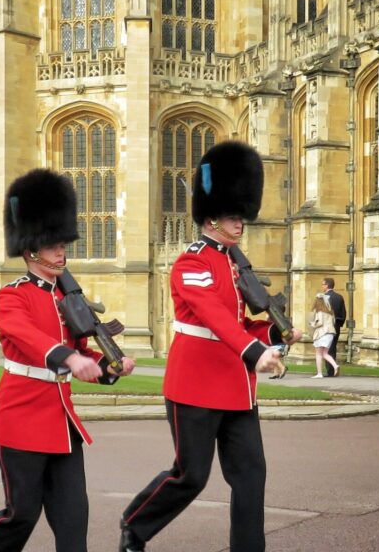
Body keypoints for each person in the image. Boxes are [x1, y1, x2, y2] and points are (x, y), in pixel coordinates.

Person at [120, 141, 302, 552]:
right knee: (191, 476)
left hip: (236, 390)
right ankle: (135, 524)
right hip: (195, 387)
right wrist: (255, 353)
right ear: (211, 217)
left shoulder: (234, 263)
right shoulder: (192, 262)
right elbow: (214, 317)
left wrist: (275, 335)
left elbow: (240, 324)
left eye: (241, 216)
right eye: (234, 216)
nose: (240, 224)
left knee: (251, 475)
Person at [0, 168, 134, 552]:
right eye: (53, 246)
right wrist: (69, 358)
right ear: (31, 250)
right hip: (21, 420)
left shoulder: (68, 299)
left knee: (74, 520)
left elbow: (85, 352)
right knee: (21, 515)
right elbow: (28, 337)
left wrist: (110, 366)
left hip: (62, 423)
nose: (62, 252)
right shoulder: (12, 296)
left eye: (63, 245)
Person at [309, 294, 340, 378]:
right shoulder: (330, 312)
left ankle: (319, 373)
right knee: (325, 353)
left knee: (318, 353)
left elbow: (320, 323)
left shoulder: (319, 312)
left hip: (322, 334)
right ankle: (335, 366)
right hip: (330, 334)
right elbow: (333, 322)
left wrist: (313, 325)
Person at [320, 277, 346, 376]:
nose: (322, 286)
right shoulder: (339, 297)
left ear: (327, 285)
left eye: (323, 284)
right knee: (333, 347)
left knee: (327, 348)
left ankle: (330, 371)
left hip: (327, 326)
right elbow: (343, 313)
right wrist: (339, 323)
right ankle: (332, 370)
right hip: (336, 326)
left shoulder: (323, 298)